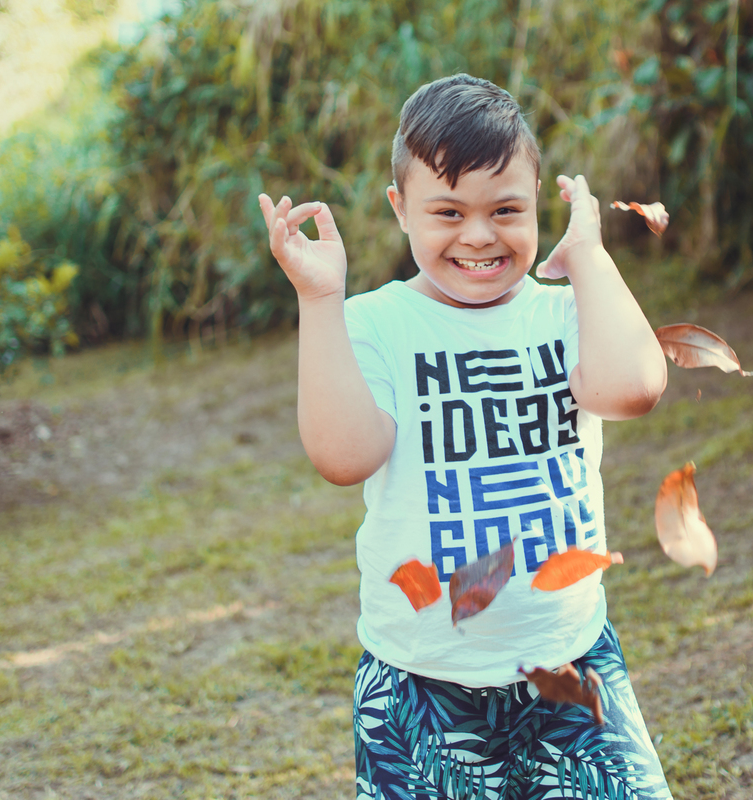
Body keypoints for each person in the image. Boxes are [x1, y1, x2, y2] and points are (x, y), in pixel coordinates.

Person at [259, 73, 673, 800]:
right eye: (447, 211)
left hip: (569, 665)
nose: (479, 235)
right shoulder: (377, 323)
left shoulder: (566, 314)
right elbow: (344, 455)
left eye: (507, 209)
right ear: (400, 208)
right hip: (421, 684)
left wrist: (589, 259)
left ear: (539, 204)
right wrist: (321, 301)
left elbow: (634, 388)